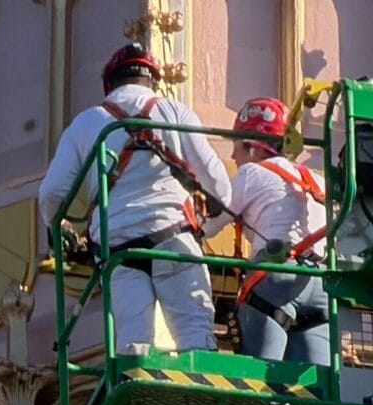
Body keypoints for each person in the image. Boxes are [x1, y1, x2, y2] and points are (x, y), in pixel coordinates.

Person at [37, 42, 232, 358]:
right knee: (194, 332)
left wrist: (57, 226)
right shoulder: (173, 112)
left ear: (109, 84)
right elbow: (219, 186)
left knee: (133, 340)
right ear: (153, 81)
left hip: (118, 248)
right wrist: (204, 232)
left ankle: (134, 382)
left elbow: (51, 192)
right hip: (174, 237)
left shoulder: (87, 122)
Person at [225, 96, 331, 365]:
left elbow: (209, 224)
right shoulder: (317, 181)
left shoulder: (251, 173)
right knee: (316, 385)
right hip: (320, 284)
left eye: (236, 146)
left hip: (275, 278)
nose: (233, 156)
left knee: (260, 379)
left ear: (252, 147)